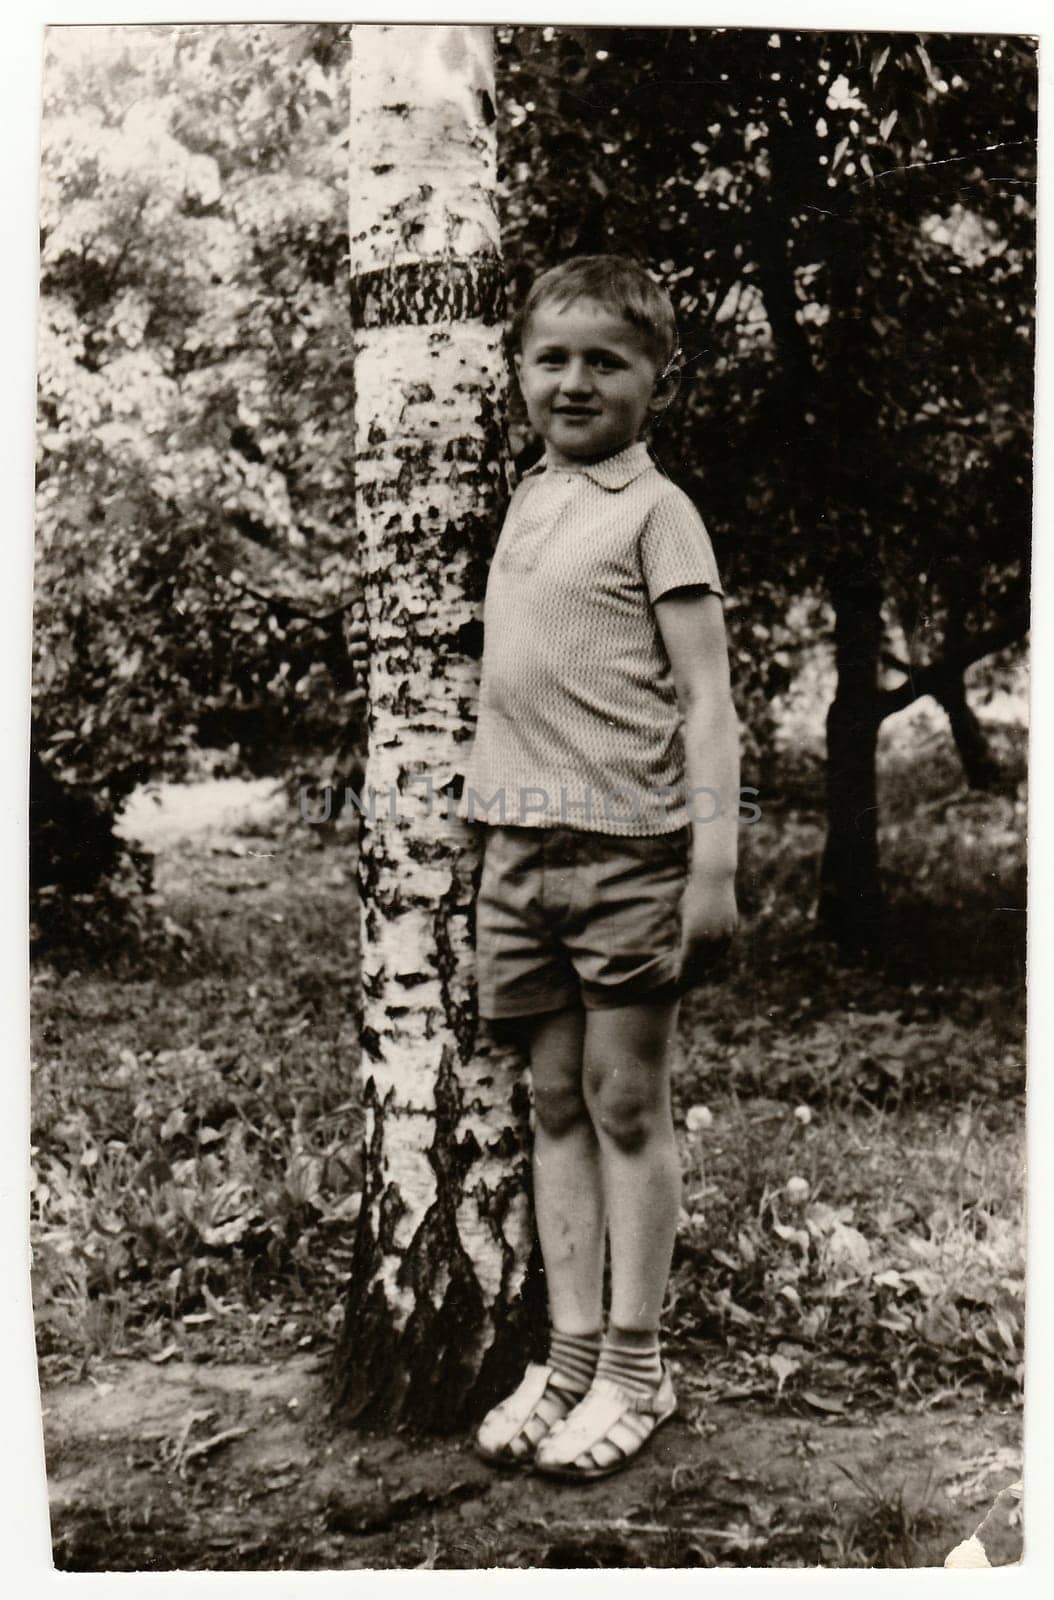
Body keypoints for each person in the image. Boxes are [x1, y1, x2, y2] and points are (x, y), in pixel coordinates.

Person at [462, 255, 739, 1480]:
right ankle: (570, 1353)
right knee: (554, 1099)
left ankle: (637, 1362)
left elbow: (708, 698)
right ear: (519, 372)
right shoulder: (530, 497)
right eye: (551, 357)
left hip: (629, 848)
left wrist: (713, 868)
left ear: (654, 380)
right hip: (516, 847)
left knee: (628, 1102)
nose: (574, 381)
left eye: (605, 360)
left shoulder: (657, 508)